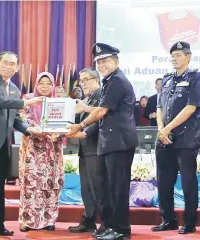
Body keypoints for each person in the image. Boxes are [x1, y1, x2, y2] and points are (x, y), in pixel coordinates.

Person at [67, 43, 138, 240]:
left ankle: (121, 229)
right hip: (113, 142)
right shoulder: (111, 80)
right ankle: (113, 226)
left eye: (106, 60)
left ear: (116, 61)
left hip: (120, 142)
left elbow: (101, 111)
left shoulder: (117, 81)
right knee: (113, 188)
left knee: (119, 189)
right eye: (99, 61)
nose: (102, 64)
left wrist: (80, 126)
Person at [0, 51, 43, 238]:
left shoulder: (14, 88)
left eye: (12, 64)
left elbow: (14, 118)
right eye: (5, 62)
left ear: (17, 68)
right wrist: (27, 101)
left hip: (1, 147)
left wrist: (29, 130)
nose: (8, 66)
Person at [152, 41, 200, 234]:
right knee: (164, 181)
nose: (174, 58)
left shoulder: (195, 77)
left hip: (185, 139)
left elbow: (191, 107)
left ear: (188, 57)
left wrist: (168, 128)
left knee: (188, 182)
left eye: (178, 55)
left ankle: (189, 222)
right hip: (164, 138)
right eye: (172, 55)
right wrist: (161, 129)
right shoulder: (166, 79)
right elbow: (159, 107)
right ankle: (168, 219)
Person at [18, 72, 64, 232]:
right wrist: (37, 129)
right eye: (41, 83)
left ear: (53, 86)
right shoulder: (28, 99)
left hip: (52, 149)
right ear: (36, 84)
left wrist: (59, 131)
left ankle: (48, 220)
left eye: (49, 83)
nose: (45, 86)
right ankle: (28, 220)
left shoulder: (58, 102)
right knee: (31, 184)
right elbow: (23, 119)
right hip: (33, 149)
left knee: (50, 184)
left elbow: (65, 123)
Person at [68, 68, 102, 233]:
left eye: (87, 79)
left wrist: (84, 133)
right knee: (86, 187)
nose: (83, 83)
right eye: (81, 80)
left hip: (97, 148)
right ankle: (88, 219)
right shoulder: (85, 99)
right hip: (85, 148)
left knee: (98, 187)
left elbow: (99, 119)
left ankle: (105, 223)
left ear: (96, 80)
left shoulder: (102, 95)